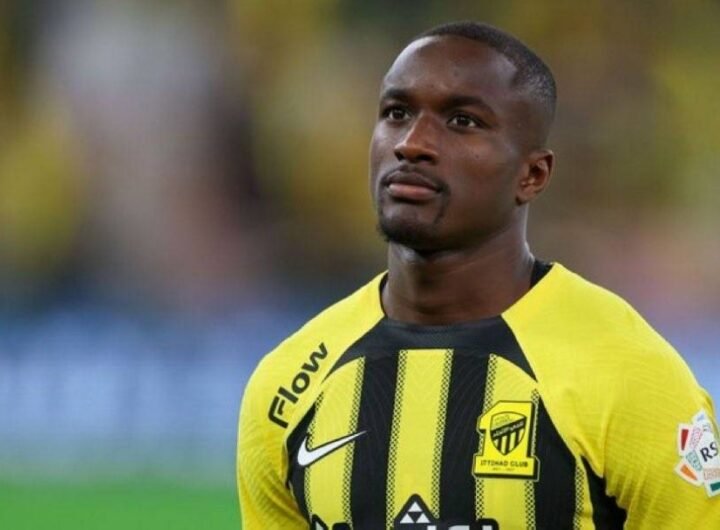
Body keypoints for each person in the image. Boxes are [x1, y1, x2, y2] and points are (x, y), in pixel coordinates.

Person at [237, 21, 720, 529]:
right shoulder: (287, 386)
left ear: (532, 175)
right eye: (397, 113)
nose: (412, 143)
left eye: (462, 121)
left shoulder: (629, 375)